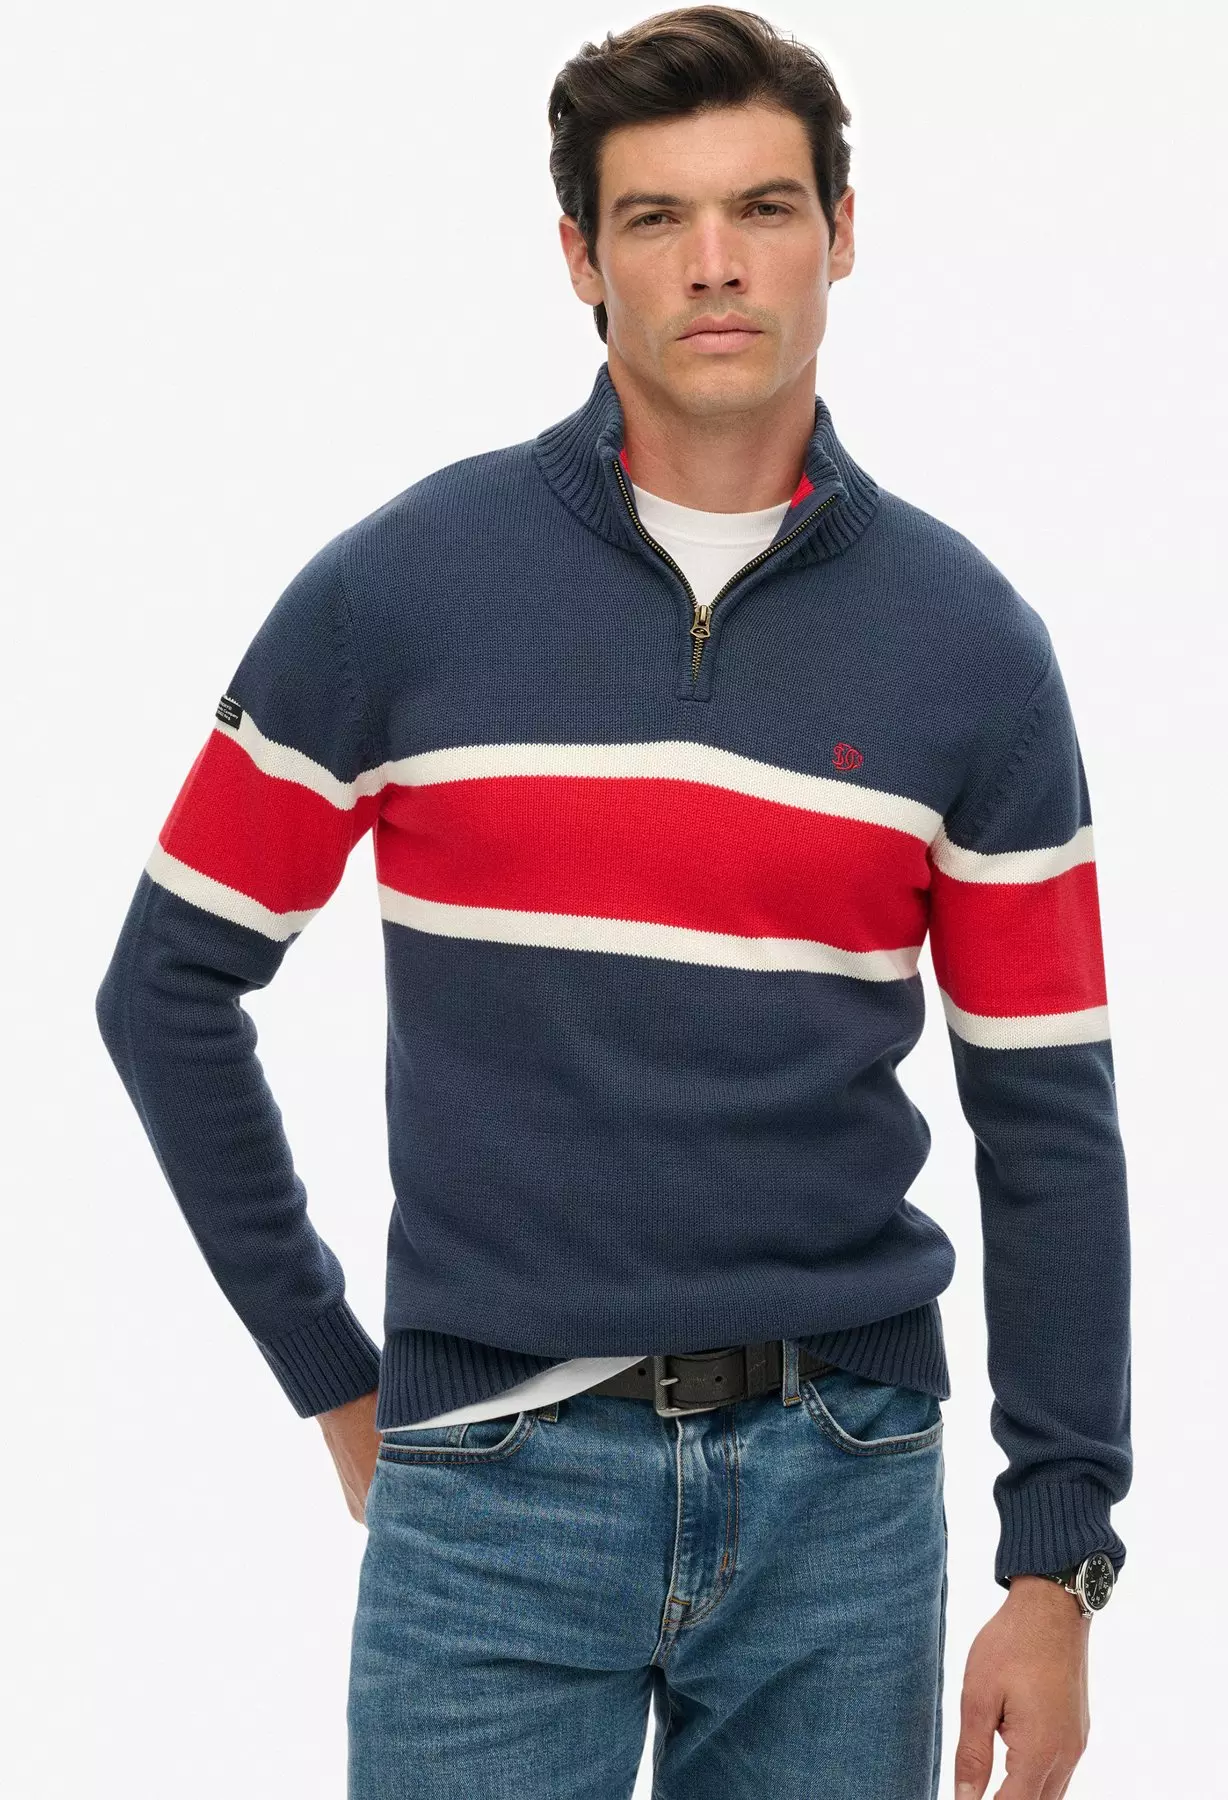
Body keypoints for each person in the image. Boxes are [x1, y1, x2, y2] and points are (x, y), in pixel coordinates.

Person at [94, 7, 1131, 1797]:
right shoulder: (404, 590)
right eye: (656, 218)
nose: (715, 263)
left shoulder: (969, 647)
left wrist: (1056, 1561)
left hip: (844, 1487)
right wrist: (336, 1377)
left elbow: (1045, 1112)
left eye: (764, 208)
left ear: (841, 233)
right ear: (581, 256)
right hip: (489, 1484)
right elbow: (167, 988)